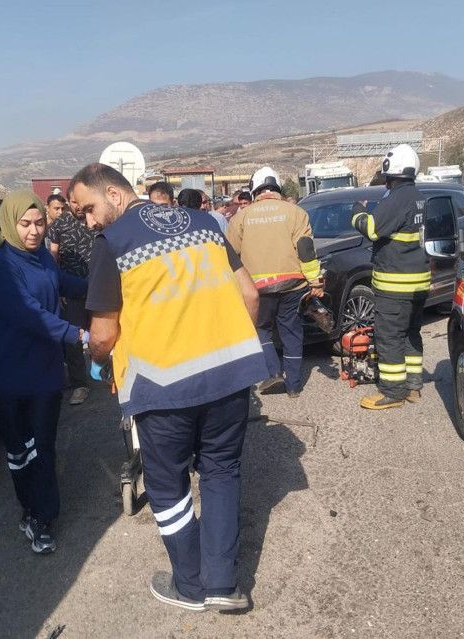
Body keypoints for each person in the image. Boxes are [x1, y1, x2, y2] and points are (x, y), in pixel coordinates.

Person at [73, 163, 267, 612]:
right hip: (229, 378)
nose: (88, 221)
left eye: (88, 209)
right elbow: (250, 296)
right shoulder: (206, 224)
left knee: (167, 486)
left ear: (115, 195)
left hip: (162, 389)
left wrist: (98, 363)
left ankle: (192, 586)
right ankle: (223, 585)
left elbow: (103, 333)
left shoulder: (113, 243)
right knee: (221, 472)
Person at [0, 190, 88, 554]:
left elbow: (63, 282)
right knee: (21, 450)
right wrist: (79, 335)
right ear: (10, 223)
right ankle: (30, 509)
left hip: (44, 372)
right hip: (9, 375)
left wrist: (104, 287)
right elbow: (30, 315)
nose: (34, 231)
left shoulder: (41, 257)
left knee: (44, 447)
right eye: (25, 224)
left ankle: (43, 516)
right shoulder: (2, 266)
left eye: (39, 223)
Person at [226, 166, 324, 398]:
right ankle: (294, 386)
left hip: (258, 287)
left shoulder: (241, 217)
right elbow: (306, 250)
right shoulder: (296, 212)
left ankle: (273, 372)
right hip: (293, 285)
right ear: (277, 187)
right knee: (292, 333)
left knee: (261, 330)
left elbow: (230, 255)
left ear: (255, 189)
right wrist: (315, 282)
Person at [350, 144, 429, 409]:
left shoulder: (397, 199)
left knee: (390, 337)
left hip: (395, 285)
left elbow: (372, 228)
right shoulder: (418, 197)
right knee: (410, 334)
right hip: (418, 284)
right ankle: (413, 386)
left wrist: (357, 212)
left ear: (390, 173)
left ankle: (393, 392)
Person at [48, 190, 95, 405]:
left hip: (99, 287)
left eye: (80, 201)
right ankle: (79, 384)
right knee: (74, 338)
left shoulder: (98, 219)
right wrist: (58, 290)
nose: (78, 206)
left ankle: (109, 374)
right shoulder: (60, 224)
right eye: (73, 202)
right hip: (72, 290)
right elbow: (53, 256)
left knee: (106, 331)